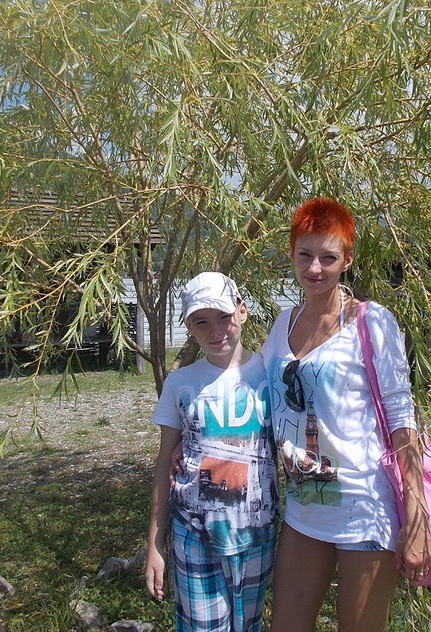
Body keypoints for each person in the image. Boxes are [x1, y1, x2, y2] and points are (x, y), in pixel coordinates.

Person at [262, 198, 431, 632]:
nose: (314, 268)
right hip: (303, 508)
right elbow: (258, 397)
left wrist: (417, 515)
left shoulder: (371, 322)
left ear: (347, 259)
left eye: (328, 257)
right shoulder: (282, 324)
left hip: (364, 508)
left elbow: (402, 419)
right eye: (305, 255)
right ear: (291, 254)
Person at [145, 271, 279, 632]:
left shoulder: (270, 373)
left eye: (223, 316)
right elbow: (164, 461)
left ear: (242, 311)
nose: (216, 330)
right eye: (201, 322)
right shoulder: (179, 382)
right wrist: (155, 544)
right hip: (193, 534)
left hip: (256, 533)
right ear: (189, 327)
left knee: (248, 625)